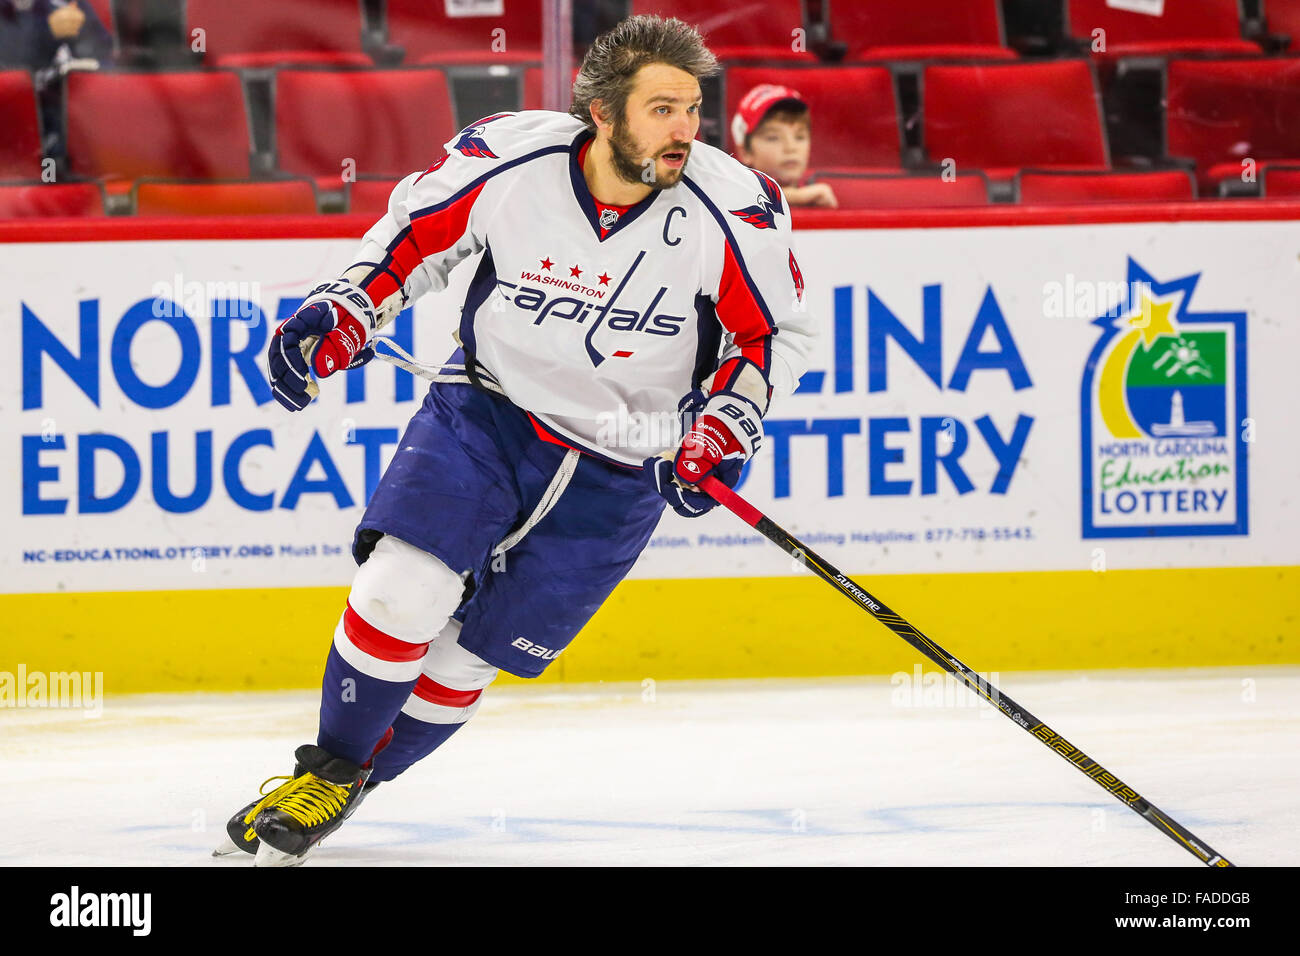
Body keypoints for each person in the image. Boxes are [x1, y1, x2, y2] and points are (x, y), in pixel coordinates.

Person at [215, 14, 817, 866]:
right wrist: (346, 308)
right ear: (602, 112)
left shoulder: (737, 206)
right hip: (488, 412)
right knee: (400, 591)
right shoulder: (512, 158)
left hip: (626, 462)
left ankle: (347, 788)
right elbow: (413, 243)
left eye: (692, 108)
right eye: (662, 109)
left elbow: (770, 338)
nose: (686, 129)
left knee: (468, 660)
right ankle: (329, 767)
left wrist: (725, 419)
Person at [731, 83, 838, 209]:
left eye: (800, 137)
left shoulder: (820, 198)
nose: (791, 148)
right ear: (745, 152)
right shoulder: (730, 192)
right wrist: (795, 197)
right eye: (773, 138)